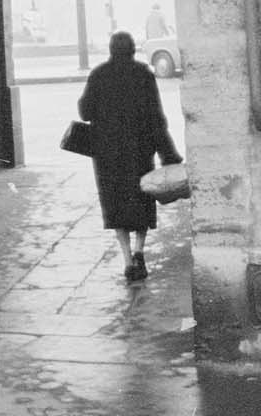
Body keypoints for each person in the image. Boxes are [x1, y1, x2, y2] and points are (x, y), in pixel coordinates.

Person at [77, 30, 183, 283]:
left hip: (108, 154)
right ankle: (139, 250)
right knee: (141, 200)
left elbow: (85, 111)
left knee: (115, 205)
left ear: (111, 50)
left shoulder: (99, 74)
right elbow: (157, 116)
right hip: (139, 151)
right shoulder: (143, 75)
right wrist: (168, 153)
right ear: (133, 50)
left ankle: (126, 259)